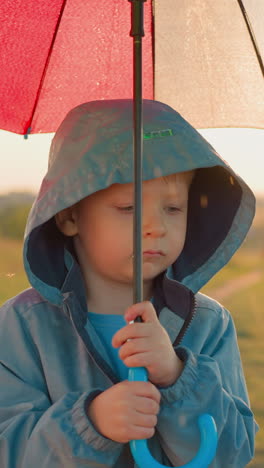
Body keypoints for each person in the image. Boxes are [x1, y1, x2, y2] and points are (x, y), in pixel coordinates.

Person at [0, 99, 258, 467]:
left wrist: (176, 377)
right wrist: (91, 425)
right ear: (69, 216)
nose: (156, 227)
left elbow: (231, 454)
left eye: (173, 208)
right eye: (129, 208)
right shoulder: (21, 328)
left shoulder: (208, 324)